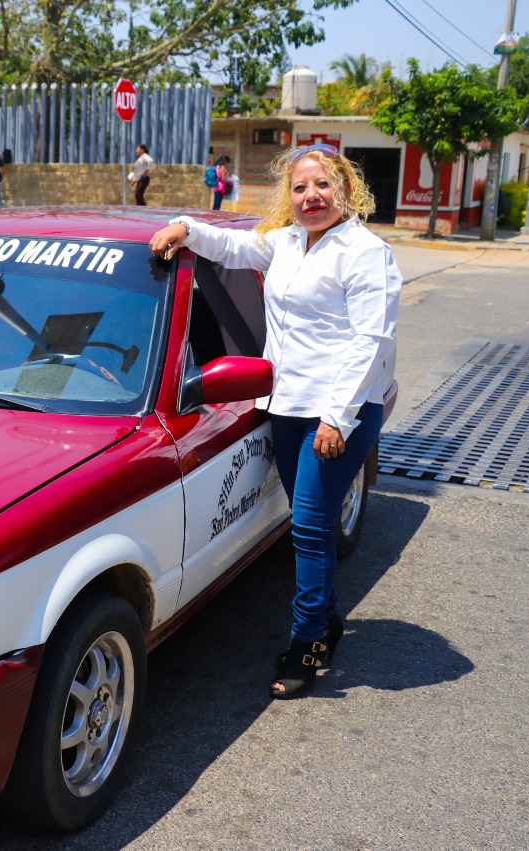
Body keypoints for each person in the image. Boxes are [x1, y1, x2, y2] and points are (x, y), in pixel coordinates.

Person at [150, 143, 402, 700]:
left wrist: (337, 419)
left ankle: (307, 642)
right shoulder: (286, 242)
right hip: (285, 407)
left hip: (337, 417)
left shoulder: (365, 252)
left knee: (308, 527)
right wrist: (184, 228)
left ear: (345, 189)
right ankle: (327, 619)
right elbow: (233, 247)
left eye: (323, 185)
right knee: (308, 521)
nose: (312, 196)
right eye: (300, 187)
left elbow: (370, 342)